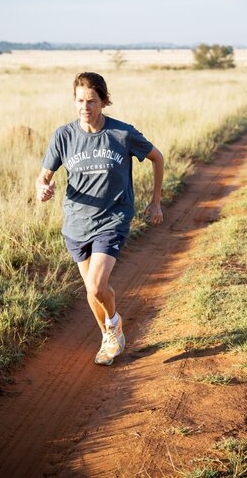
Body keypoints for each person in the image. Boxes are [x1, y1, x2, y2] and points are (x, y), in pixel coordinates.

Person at [36, 72, 164, 366]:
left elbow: (158, 158)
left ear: (104, 101)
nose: (85, 107)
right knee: (94, 291)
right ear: (74, 102)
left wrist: (155, 203)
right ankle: (110, 335)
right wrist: (43, 189)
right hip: (76, 223)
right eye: (80, 101)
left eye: (92, 101)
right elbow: (44, 177)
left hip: (112, 219)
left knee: (95, 286)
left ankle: (113, 326)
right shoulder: (63, 136)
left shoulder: (122, 134)